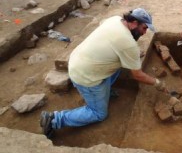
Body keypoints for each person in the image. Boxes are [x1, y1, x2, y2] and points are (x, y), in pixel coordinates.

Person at [40, 8, 167, 138]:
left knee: (118, 65)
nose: (145, 33)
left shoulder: (115, 20)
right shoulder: (128, 44)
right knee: (99, 114)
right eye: (144, 28)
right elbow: (137, 75)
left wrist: (131, 55)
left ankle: (104, 92)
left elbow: (108, 35)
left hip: (78, 61)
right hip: (85, 76)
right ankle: (54, 119)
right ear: (134, 23)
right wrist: (157, 83)